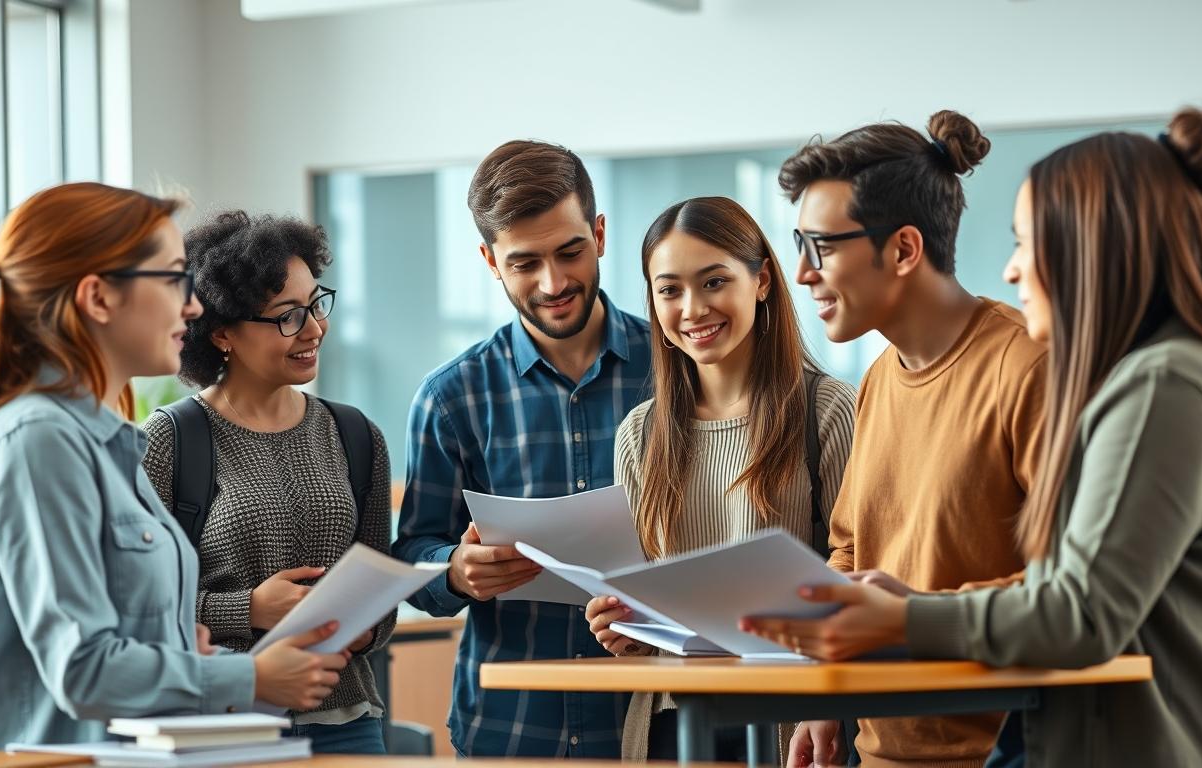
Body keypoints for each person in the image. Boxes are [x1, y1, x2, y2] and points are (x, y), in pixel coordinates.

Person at [743, 106, 1202, 768]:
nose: (1011, 269)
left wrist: (905, 618)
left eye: (1026, 242)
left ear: (1091, 246)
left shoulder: (1163, 385)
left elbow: (1079, 611)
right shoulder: (1170, 377)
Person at [0, 182, 348, 749]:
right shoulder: (38, 441)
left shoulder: (104, 441)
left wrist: (177, 650)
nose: (191, 306)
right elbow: (83, 668)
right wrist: (250, 675)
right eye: (172, 281)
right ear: (98, 298)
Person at [775, 111, 1049, 767]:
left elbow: (1068, 591)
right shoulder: (876, 382)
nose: (803, 273)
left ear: (902, 249)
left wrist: (913, 614)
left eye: (822, 247)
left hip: (999, 754)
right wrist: (826, 692)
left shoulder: (1027, 368)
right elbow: (850, 551)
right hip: (879, 753)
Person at [392, 140, 652, 758]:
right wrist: (454, 570)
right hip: (513, 730)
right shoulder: (451, 397)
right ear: (489, 260)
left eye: (570, 252)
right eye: (524, 263)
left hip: (657, 722)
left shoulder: (680, 370)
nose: (553, 282)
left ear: (601, 233)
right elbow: (411, 554)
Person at [583, 196, 857, 762]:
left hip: (792, 721)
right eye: (669, 290)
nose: (692, 309)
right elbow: (645, 600)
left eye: (713, 282)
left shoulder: (825, 410)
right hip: (673, 725)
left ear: (760, 281)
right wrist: (623, 627)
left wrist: (823, 701)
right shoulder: (641, 434)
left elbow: (858, 569)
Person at [141, 211, 396, 755]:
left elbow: (382, 590)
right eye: (287, 316)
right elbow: (139, 609)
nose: (314, 329)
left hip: (347, 722)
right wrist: (249, 608)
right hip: (224, 725)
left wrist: (366, 628)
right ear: (223, 333)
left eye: (315, 305)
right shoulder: (170, 441)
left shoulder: (355, 434)